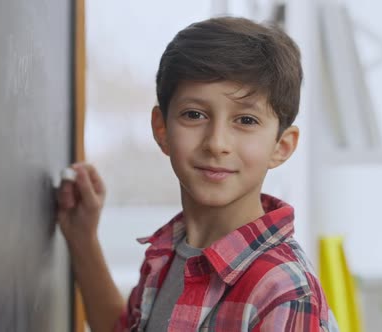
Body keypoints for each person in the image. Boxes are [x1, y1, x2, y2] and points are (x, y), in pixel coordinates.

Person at [56, 16, 339, 332]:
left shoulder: (283, 290)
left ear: (281, 147)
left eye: (245, 121)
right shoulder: (167, 254)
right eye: (195, 115)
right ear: (161, 129)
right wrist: (82, 238)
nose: (217, 143)